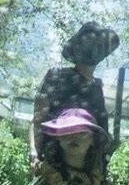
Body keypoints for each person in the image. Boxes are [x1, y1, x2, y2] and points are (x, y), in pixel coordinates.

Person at [30, 21, 120, 166]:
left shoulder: (97, 88)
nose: (94, 49)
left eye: (99, 44)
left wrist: (101, 170)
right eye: (89, 42)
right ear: (78, 47)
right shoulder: (56, 75)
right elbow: (38, 120)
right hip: (52, 163)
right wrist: (34, 153)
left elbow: (100, 132)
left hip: (86, 170)